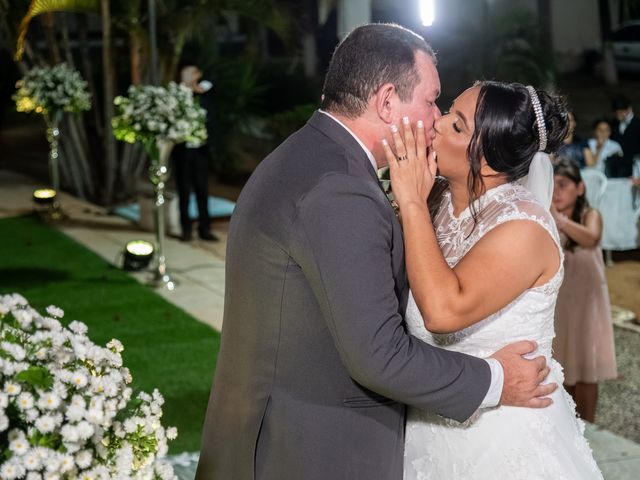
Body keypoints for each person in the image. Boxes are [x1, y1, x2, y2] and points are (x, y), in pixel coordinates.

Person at [196, 24, 553, 480]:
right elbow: (379, 356)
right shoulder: (341, 191)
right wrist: (497, 380)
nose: (435, 118)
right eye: (430, 101)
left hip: (279, 435)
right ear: (387, 102)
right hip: (310, 452)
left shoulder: (310, 156)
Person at [384, 82, 602, 478]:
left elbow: (443, 311)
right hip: (426, 430)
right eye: (448, 111)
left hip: (500, 443)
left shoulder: (524, 227)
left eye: (456, 126)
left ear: (486, 163)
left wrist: (410, 201)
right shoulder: (436, 201)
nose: (436, 121)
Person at [551, 158, 618, 423]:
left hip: (588, 304)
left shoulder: (590, 216)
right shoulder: (549, 219)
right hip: (562, 304)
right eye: (553, 185)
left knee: (587, 369)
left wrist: (560, 221)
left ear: (580, 189)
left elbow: (591, 238)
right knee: (565, 366)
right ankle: (569, 425)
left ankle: (588, 425)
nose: (557, 192)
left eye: (563, 185)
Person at [172, 64, 218, 242]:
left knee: (202, 190)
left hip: (200, 151)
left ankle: (204, 229)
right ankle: (186, 230)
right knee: (184, 191)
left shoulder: (204, 93)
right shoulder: (178, 95)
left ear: (197, 75)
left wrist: (198, 87)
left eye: (191, 73)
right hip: (182, 152)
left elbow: (214, 84)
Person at [610, 95, 640, 178]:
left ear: (629, 109)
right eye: (616, 113)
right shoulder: (614, 124)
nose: (618, 115)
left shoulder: (638, 124)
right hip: (617, 168)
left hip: (634, 168)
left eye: (621, 112)